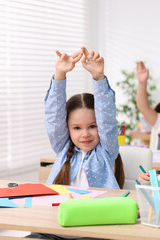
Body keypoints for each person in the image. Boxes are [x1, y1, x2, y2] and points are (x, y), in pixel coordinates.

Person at [45, 46, 124, 189]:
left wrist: (99, 77)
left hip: (100, 210)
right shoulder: (62, 147)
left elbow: (106, 119)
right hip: (63, 209)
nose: (85, 134)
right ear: (66, 128)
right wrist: (59, 75)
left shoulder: (106, 150)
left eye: (92, 126)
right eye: (76, 128)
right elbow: (54, 117)